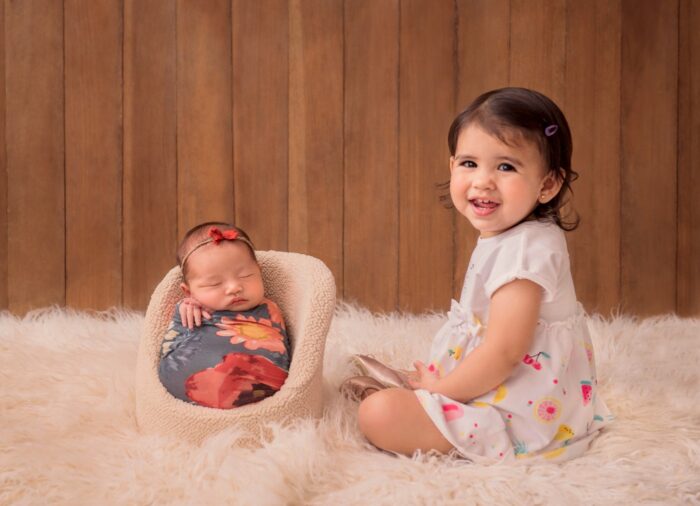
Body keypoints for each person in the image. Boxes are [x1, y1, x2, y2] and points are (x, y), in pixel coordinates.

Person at [346, 87, 612, 463]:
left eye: (506, 167)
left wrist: (442, 392)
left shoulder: (524, 252)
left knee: (378, 415)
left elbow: (504, 352)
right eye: (469, 163)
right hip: (505, 383)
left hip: (521, 415)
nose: (483, 181)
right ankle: (429, 397)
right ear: (451, 165)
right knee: (397, 403)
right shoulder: (514, 233)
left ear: (548, 184)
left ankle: (428, 405)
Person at [158, 222, 291, 409]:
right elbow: (171, 343)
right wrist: (185, 308)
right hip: (188, 385)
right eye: (214, 283)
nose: (234, 288)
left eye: (245, 275)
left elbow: (282, 348)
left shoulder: (269, 308)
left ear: (259, 272)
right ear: (189, 291)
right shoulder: (195, 308)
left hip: (258, 385)